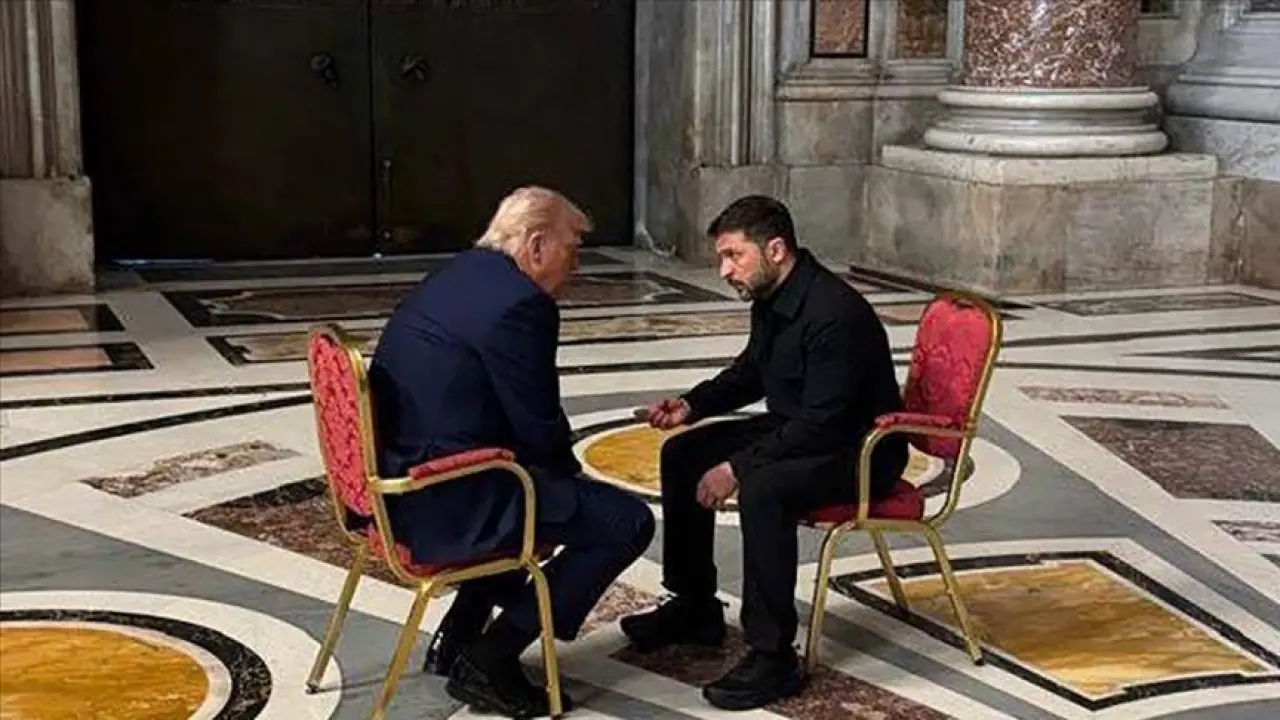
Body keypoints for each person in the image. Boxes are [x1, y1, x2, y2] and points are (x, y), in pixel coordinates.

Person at [368, 186, 656, 717]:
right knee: (625, 522)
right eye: (572, 248)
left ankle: (457, 635)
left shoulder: (459, 274)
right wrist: (570, 489)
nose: (576, 265)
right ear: (537, 244)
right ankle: (491, 656)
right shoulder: (521, 304)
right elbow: (538, 423)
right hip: (448, 498)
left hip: (401, 483)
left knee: (537, 490)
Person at [619, 195, 908, 710]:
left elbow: (825, 423)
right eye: (722, 258)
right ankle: (694, 605)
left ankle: (773, 655)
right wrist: (692, 405)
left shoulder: (834, 314)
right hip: (803, 428)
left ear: (775, 250)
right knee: (683, 454)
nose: (725, 270)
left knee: (764, 489)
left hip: (859, 449)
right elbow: (753, 371)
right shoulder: (772, 296)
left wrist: (737, 467)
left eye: (734, 256)